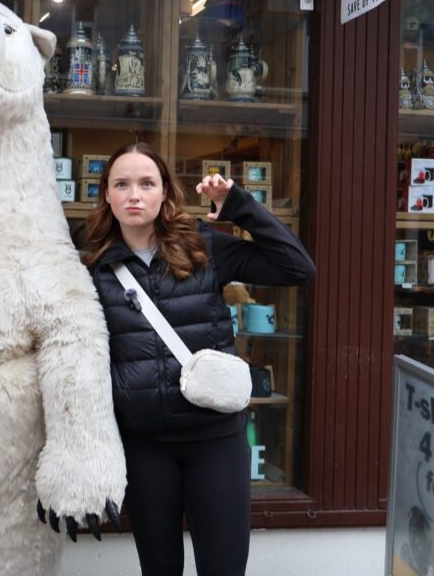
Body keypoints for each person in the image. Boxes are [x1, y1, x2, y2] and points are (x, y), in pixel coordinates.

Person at [81, 143, 314, 575]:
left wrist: (238, 207)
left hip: (216, 441)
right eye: (122, 184)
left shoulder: (202, 245)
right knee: (160, 568)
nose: (135, 194)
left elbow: (296, 267)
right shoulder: (90, 263)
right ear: (107, 196)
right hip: (144, 446)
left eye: (147, 183)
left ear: (165, 192)